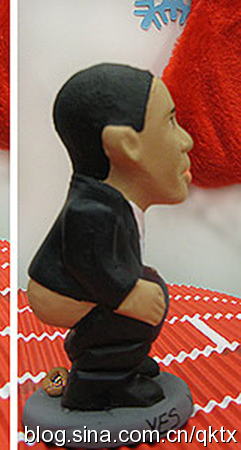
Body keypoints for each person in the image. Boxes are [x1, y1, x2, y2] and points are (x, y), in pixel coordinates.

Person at [27, 63, 193, 410]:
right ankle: (97, 382)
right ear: (125, 145)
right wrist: (127, 295)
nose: (186, 141)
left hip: (86, 281)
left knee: (148, 290)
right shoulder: (91, 210)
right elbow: (89, 264)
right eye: (170, 122)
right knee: (144, 306)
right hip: (62, 289)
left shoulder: (110, 201)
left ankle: (120, 361)